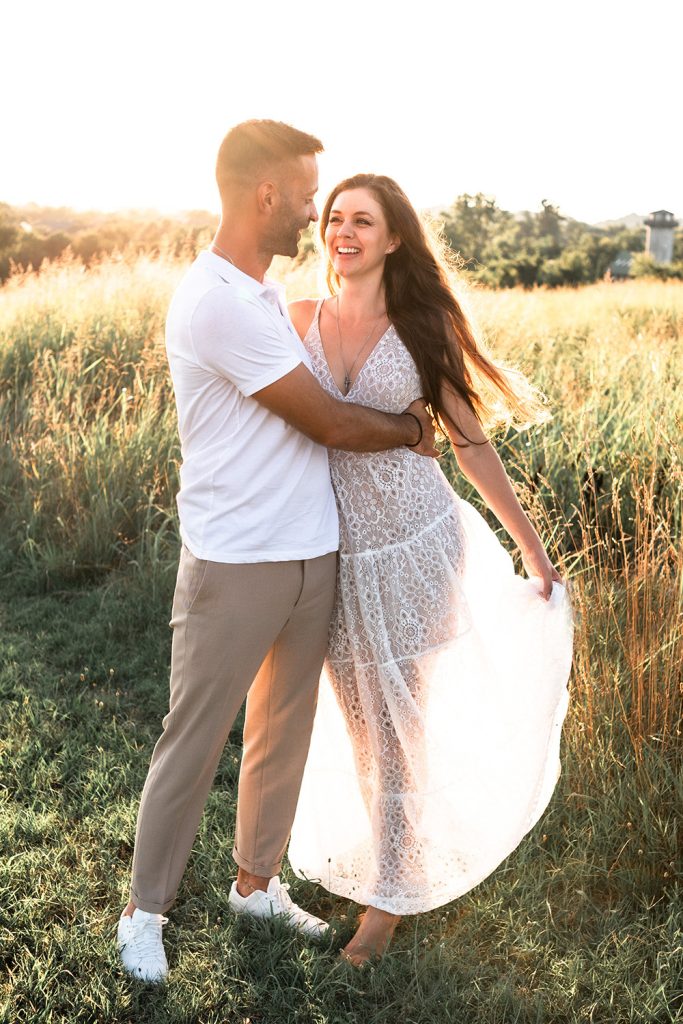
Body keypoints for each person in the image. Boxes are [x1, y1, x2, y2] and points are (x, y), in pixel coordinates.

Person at [117, 127, 438, 983]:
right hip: (236, 560)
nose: (312, 209)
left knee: (282, 730)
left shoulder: (265, 292)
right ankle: (144, 913)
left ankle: (254, 886)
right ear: (265, 196)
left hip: (311, 551)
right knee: (194, 734)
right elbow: (329, 422)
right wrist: (411, 430)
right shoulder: (215, 300)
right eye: (305, 195)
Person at [287, 174, 573, 966]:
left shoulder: (419, 325)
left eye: (362, 220)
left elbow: (470, 442)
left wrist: (531, 547)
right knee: (360, 724)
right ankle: (396, 856)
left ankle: (385, 904)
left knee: (399, 722)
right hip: (334, 550)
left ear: (393, 239)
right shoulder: (296, 317)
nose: (343, 230)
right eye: (335, 217)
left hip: (416, 542)